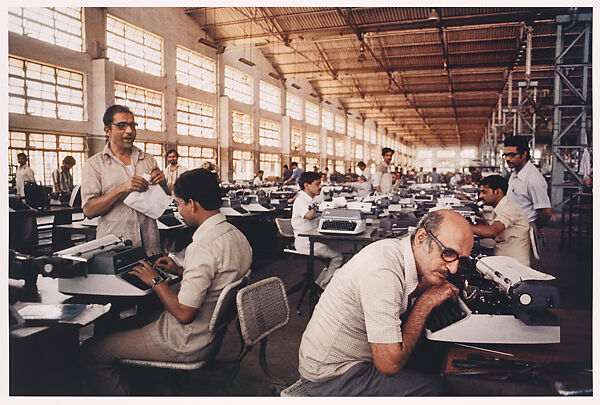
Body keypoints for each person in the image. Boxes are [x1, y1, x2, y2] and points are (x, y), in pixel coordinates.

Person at [80, 168, 252, 395]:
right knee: (122, 325)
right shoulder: (235, 235)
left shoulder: (203, 246)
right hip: (210, 334)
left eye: (179, 204)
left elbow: (183, 313)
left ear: (192, 204)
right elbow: (219, 278)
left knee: (94, 350)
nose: (179, 211)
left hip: (185, 340)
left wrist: (156, 282)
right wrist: (181, 271)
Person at [298, 209, 474, 396]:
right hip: (332, 376)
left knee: (432, 358)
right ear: (422, 237)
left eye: (461, 260)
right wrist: (426, 302)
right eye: (448, 253)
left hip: (347, 362)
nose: (454, 269)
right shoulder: (383, 271)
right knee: (437, 389)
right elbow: (389, 364)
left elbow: (402, 289)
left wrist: (427, 287)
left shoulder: (397, 251)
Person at [81, 105, 170, 256]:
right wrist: (121, 188)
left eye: (132, 125)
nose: (129, 131)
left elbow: (165, 198)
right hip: (115, 248)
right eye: (122, 125)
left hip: (150, 245)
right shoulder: (95, 165)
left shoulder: (148, 160)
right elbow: (89, 210)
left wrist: (162, 183)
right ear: (107, 130)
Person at [292, 171, 344, 290]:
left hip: (315, 238)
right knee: (338, 257)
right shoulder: (301, 200)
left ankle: (319, 284)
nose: (320, 187)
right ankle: (323, 287)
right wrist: (330, 206)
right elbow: (309, 215)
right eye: (317, 184)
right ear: (306, 185)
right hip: (306, 243)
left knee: (332, 258)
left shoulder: (312, 199)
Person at [471, 175, 531, 266]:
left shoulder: (510, 208)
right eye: (480, 192)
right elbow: (496, 231)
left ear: (498, 191)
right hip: (505, 258)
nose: (480, 196)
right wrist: (486, 226)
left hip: (514, 265)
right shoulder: (502, 206)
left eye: (484, 192)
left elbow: (492, 231)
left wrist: (463, 226)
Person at [503, 137, 553, 228]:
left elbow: (546, 213)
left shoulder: (533, 179)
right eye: (505, 155)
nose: (507, 159)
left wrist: (533, 228)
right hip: (513, 227)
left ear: (524, 154)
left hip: (524, 229)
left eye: (511, 155)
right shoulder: (515, 173)